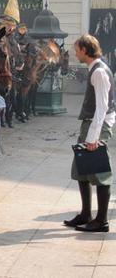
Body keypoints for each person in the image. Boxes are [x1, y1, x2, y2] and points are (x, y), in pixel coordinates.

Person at [64, 34, 114, 232]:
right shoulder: (96, 69)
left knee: (100, 173)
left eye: (77, 50)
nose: (76, 54)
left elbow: (102, 107)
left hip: (96, 126)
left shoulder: (99, 72)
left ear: (85, 50)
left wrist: (94, 136)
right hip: (92, 124)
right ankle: (86, 214)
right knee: (81, 170)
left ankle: (101, 221)